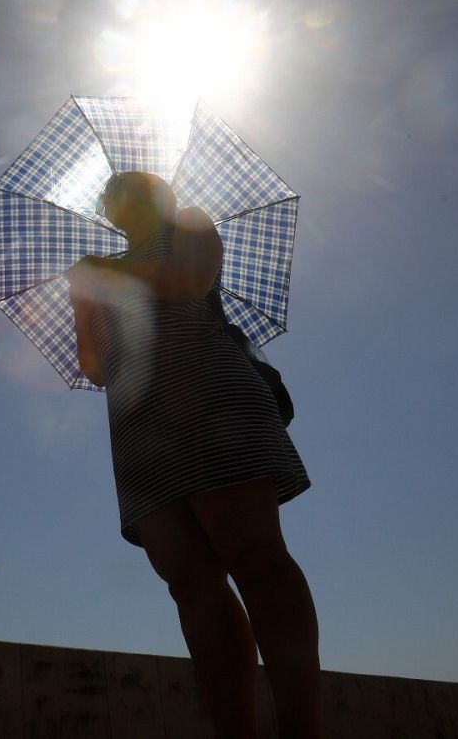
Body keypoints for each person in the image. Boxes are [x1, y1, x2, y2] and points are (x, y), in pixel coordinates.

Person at [68, 170, 320, 739]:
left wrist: (106, 273)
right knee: (189, 583)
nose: (117, 202)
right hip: (139, 426)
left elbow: (186, 280)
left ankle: (302, 729)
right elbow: (94, 368)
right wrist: (84, 301)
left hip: (209, 395)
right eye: (111, 196)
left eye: (129, 191)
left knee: (253, 554)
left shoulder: (187, 227)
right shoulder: (99, 269)